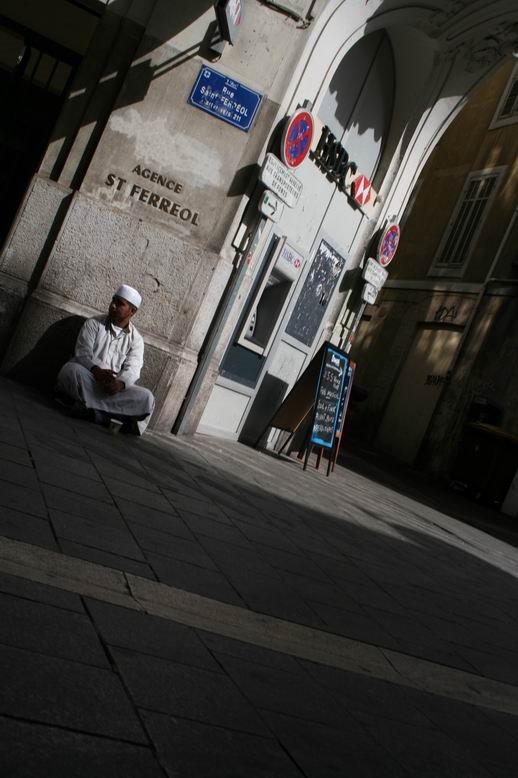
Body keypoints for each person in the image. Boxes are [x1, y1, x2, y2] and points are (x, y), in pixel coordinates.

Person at [56, 284, 154, 435]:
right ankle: (110, 417)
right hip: (91, 379)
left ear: (132, 311)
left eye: (120, 303)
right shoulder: (93, 324)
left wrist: (120, 384)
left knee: (146, 397)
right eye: (113, 300)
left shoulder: (136, 340)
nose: (113, 306)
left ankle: (89, 411)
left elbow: (133, 369)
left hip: (114, 389)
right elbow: (82, 353)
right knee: (71, 370)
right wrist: (96, 371)